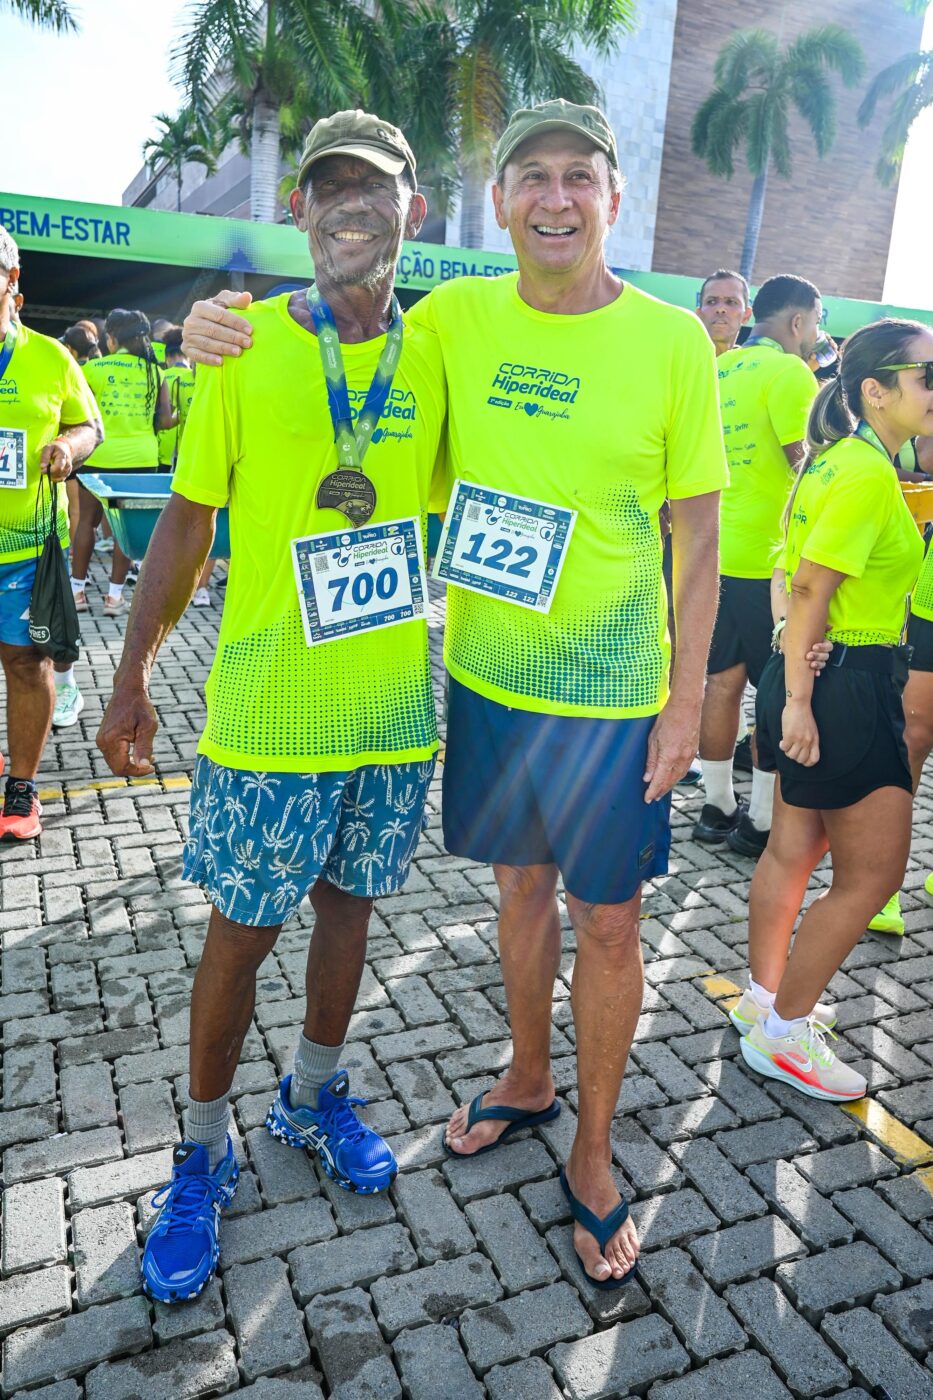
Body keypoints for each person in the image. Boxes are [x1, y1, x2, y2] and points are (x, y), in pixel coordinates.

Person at [185, 97, 727, 1292]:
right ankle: (529, 1074)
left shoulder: (674, 340)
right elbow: (335, 334)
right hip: (483, 679)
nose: (554, 198)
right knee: (520, 893)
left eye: (578, 176)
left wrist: (689, 702)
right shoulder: (455, 323)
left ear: (613, 197)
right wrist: (210, 325)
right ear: (499, 201)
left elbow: (699, 525)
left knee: (614, 921)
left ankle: (592, 1150)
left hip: (615, 692)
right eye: (531, 174)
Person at [98, 111, 446, 1304]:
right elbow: (190, 520)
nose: (350, 206)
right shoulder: (239, 350)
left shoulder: (441, 348)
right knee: (238, 936)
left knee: (349, 914)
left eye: (374, 188)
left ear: (417, 209)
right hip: (265, 716)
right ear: (299, 212)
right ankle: (200, 1153)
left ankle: (309, 1094)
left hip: (394, 712)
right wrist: (132, 668)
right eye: (327, 188)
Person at [734, 318, 933, 1100]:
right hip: (843, 686)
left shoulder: (832, 463)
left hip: (823, 675)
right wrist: (798, 699)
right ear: (875, 391)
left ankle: (764, 1003)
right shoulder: (862, 474)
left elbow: (786, 577)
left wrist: (791, 659)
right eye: (926, 374)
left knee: (793, 849)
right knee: (875, 872)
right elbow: (810, 583)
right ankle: (782, 1031)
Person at [695, 275, 821, 858]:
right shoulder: (791, 373)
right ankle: (763, 819)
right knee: (774, 689)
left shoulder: (716, 369)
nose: (815, 336)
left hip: (712, 553)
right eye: (815, 323)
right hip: (769, 562)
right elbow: (809, 466)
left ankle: (715, 805)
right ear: (798, 322)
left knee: (719, 684)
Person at [0, 230, 100, 836]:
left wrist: (67, 446)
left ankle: (22, 790)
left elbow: (91, 425)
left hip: (25, 551)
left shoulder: (49, 356)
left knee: (25, 662)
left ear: (12, 281)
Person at [74, 310, 174, 614]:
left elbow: (79, 417)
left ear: (112, 338)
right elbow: (166, 421)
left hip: (97, 456)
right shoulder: (155, 373)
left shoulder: (93, 369)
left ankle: (77, 592)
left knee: (86, 524)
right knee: (123, 531)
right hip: (140, 460)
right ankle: (114, 598)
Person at [157, 328, 195, 469]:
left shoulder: (161, 375)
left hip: (160, 453)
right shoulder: (198, 378)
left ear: (167, 358)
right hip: (191, 451)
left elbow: (163, 422)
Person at [696, 268, 752, 357]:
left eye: (731, 302)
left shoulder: (754, 365)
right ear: (699, 315)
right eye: (711, 301)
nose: (720, 309)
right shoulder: (678, 358)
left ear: (746, 315)